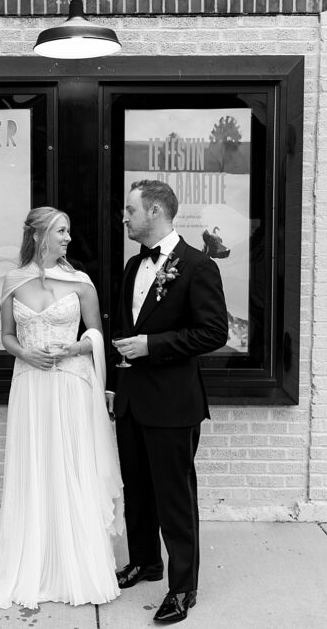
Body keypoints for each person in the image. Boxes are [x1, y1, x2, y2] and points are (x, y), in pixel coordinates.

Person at [0, 206, 123, 610]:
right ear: (40, 235)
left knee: (71, 466)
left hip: (72, 382)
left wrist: (74, 346)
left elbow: (96, 333)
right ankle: (34, 565)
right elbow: (6, 335)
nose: (68, 238)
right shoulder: (13, 281)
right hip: (30, 386)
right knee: (35, 467)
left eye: (69, 231)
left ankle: (78, 565)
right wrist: (26, 354)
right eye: (61, 231)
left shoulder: (81, 282)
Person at [108, 180, 228, 624]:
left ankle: (183, 588)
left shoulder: (198, 267)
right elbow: (124, 328)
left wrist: (152, 346)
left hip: (174, 404)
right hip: (131, 401)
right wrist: (114, 386)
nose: (125, 217)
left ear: (155, 211)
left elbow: (214, 332)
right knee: (136, 488)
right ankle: (145, 561)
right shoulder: (130, 266)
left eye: (130, 210)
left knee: (175, 497)